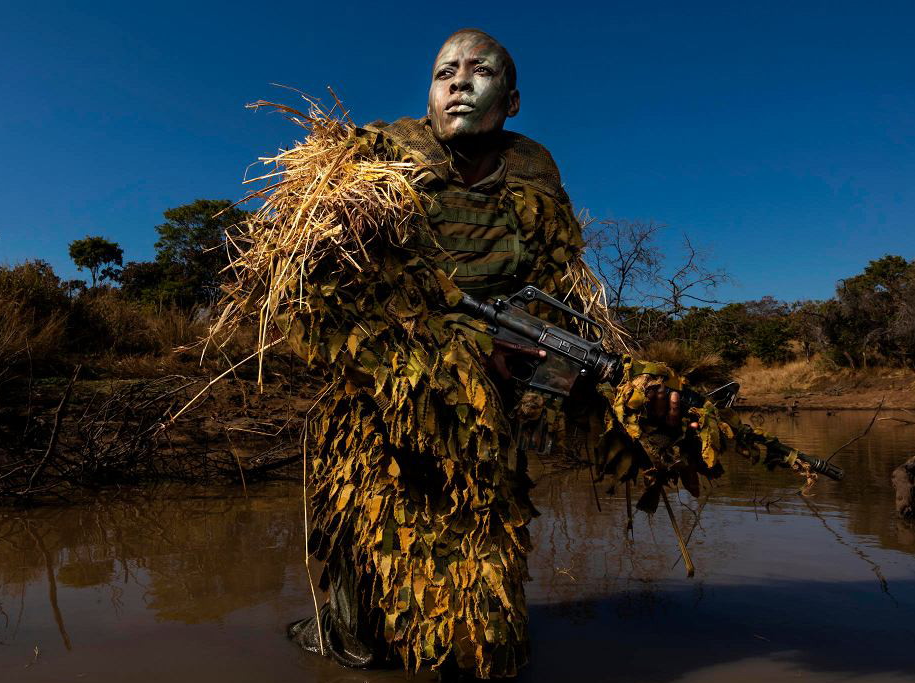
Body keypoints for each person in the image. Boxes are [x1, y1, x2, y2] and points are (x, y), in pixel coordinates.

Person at [285, 28, 695, 679]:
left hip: (484, 425)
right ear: (428, 93)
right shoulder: (375, 165)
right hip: (380, 413)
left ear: (512, 99)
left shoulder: (534, 182)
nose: (459, 81)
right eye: (445, 70)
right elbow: (315, 306)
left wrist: (627, 387)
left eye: (480, 71)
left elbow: (563, 312)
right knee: (367, 627)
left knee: (486, 639)